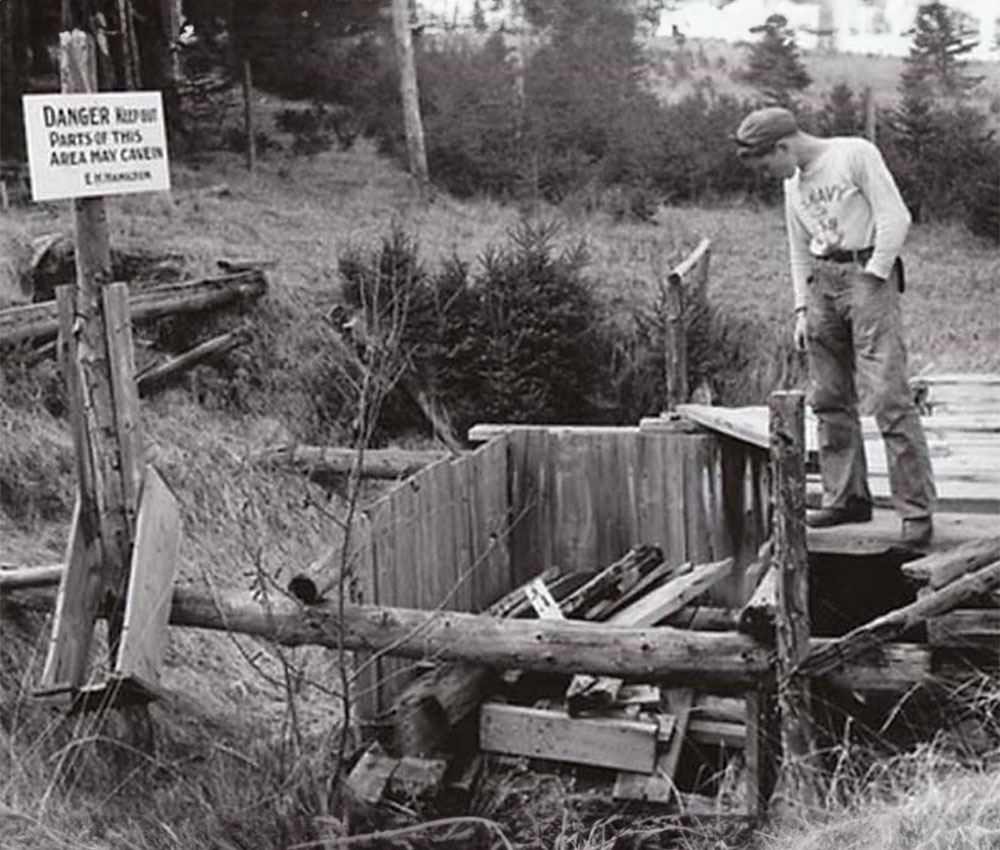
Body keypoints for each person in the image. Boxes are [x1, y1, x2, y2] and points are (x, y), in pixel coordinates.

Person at [733, 106, 936, 547]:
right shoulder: (793, 184)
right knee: (828, 397)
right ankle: (846, 497)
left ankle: (915, 510)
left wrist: (875, 274)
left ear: (783, 146)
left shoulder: (854, 154)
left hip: (867, 275)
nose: (770, 174)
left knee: (887, 395)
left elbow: (895, 217)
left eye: (769, 163)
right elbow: (797, 248)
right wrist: (801, 309)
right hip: (821, 285)